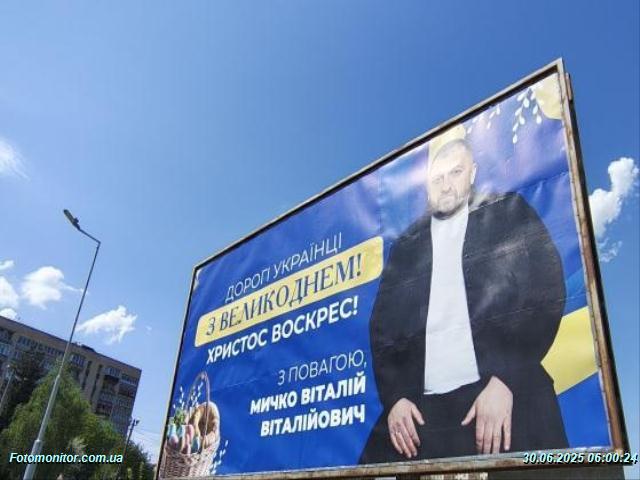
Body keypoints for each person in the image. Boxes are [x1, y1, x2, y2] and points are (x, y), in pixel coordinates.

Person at [360, 130, 568, 463]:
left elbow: (546, 290)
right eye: (437, 178)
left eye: (455, 173)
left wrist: (507, 380)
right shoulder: (408, 246)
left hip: (500, 393)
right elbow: (382, 330)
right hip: (420, 413)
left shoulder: (508, 212)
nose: (445, 185)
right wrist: (395, 398)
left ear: (472, 173)